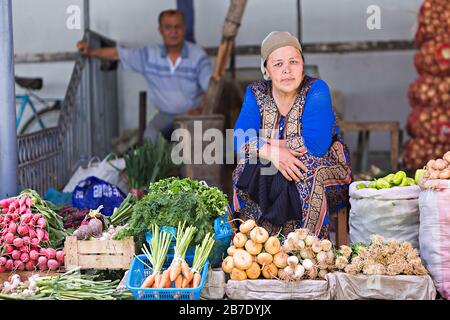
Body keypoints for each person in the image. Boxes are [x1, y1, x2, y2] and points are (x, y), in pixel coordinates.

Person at [232, 31, 352, 239]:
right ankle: (254, 244)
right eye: (278, 64)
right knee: (246, 168)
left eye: (293, 62)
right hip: (273, 163)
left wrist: (264, 142)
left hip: (327, 168)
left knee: (305, 167)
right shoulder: (256, 92)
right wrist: (273, 153)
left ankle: (311, 250)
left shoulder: (316, 89)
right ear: (266, 70)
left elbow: (316, 145)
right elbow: (239, 140)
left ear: (302, 65)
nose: (287, 70)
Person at [76, 9, 212, 142]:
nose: (173, 31)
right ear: (160, 30)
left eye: (178, 26)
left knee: (203, 146)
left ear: (184, 28)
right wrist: (91, 51)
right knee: (150, 136)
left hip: (193, 115)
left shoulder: (198, 56)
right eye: (168, 27)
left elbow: (211, 87)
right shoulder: (149, 56)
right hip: (165, 115)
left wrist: (200, 108)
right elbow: (118, 54)